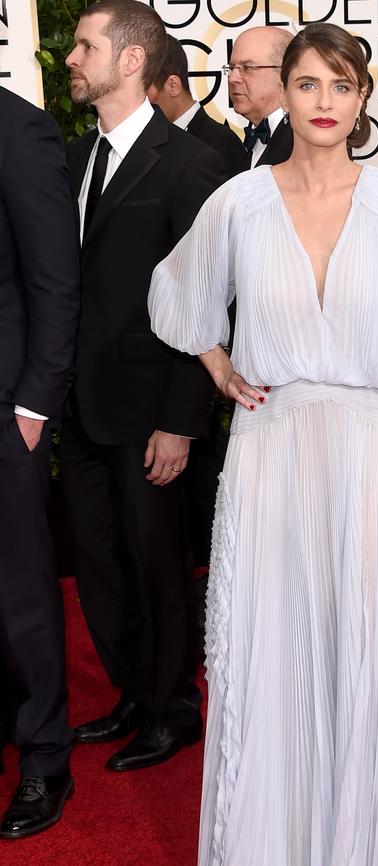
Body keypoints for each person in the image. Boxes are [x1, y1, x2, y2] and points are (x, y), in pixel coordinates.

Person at [150, 21, 378, 866]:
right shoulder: (239, 202)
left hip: (372, 451)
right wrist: (219, 365)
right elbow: (176, 295)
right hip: (270, 455)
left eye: (342, 86)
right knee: (276, 656)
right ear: (286, 88)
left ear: (362, 102)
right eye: (310, 83)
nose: (325, 101)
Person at [61, 0, 224, 772]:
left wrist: (183, 419)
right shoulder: (74, 159)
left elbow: (212, 301)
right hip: (81, 408)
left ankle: (173, 706)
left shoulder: (189, 165)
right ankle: (132, 691)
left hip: (154, 410)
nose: (71, 58)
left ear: (130, 61)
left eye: (85, 46)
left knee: (159, 559)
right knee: (99, 559)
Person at [0, 85, 79, 838]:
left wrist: (32, 408)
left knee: (20, 594)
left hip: (5, 411)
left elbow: (56, 281)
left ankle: (46, 759)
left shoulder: (18, 131)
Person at [148, 32, 247, 571]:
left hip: (218, 362)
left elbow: (221, 274)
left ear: (171, 84)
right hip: (191, 354)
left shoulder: (219, 149)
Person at [147, 33, 246, 174]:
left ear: (173, 86)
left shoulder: (222, 143)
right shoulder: (145, 142)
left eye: (143, 90)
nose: (136, 102)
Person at [226, 25, 294, 167]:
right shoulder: (253, 137)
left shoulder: (301, 143)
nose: (232, 78)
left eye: (248, 68)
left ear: (284, 73)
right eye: (232, 68)